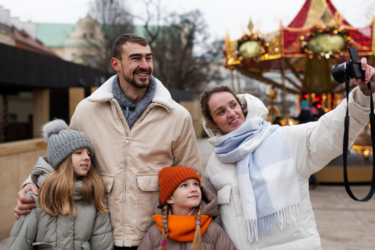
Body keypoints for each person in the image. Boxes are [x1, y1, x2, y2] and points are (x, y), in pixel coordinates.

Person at [14, 33, 202, 250]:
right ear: (116, 64)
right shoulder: (87, 110)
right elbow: (61, 156)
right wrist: (31, 182)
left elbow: (192, 175)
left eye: (148, 58)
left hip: (155, 237)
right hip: (99, 236)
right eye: (135, 58)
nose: (144, 65)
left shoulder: (177, 115)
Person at [200, 57, 375, 250]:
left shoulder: (284, 139)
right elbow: (213, 223)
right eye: (221, 111)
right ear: (212, 123)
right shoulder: (215, 165)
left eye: (233, 105)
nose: (231, 113)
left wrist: (363, 95)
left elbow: (330, 130)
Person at [7, 119, 113, 250]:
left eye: (89, 154)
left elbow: (102, 243)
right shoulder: (36, 196)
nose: (87, 157)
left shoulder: (95, 195)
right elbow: (19, 243)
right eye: (79, 152)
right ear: (62, 159)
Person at [138, 166, 236, 250]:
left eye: (195, 184)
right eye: (184, 185)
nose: (194, 189)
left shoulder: (211, 229)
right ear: (169, 198)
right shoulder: (155, 232)